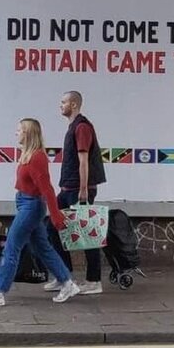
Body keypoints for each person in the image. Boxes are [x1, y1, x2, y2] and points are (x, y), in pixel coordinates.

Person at [0, 118, 80, 306]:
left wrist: (55, 215)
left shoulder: (37, 157)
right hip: (26, 203)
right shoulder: (28, 154)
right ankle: (67, 282)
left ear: (28, 133)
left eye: (19, 130)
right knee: (42, 248)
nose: (16, 133)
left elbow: (47, 188)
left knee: (11, 247)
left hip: (31, 207)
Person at [46, 90, 106, 296]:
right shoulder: (73, 127)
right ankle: (64, 276)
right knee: (52, 226)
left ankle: (94, 280)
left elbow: (83, 161)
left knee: (87, 234)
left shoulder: (81, 127)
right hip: (67, 188)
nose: (60, 105)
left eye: (63, 102)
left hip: (79, 190)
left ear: (73, 104)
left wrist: (83, 190)